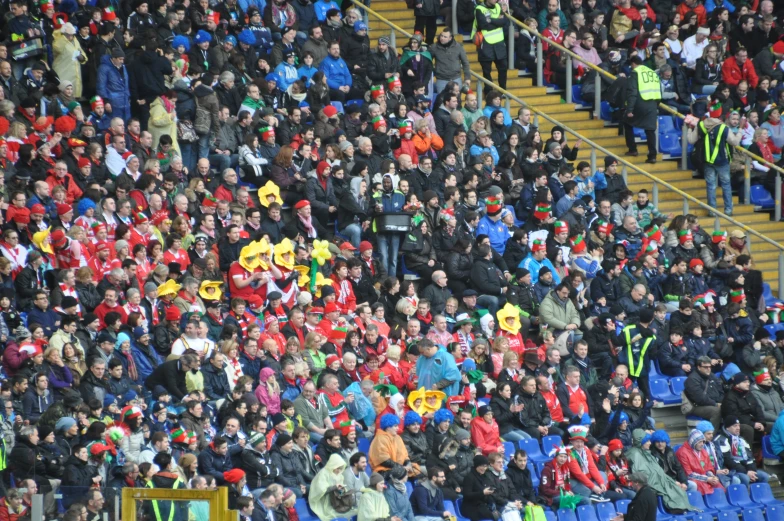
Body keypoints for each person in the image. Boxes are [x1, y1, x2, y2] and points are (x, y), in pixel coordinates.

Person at [623, 56, 661, 164]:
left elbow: (632, 92)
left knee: (627, 122)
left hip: (640, 103)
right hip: (653, 103)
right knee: (650, 130)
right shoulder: (652, 72)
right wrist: (656, 105)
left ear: (634, 63)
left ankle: (633, 149)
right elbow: (659, 91)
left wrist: (629, 109)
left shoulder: (635, 73)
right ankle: (652, 156)